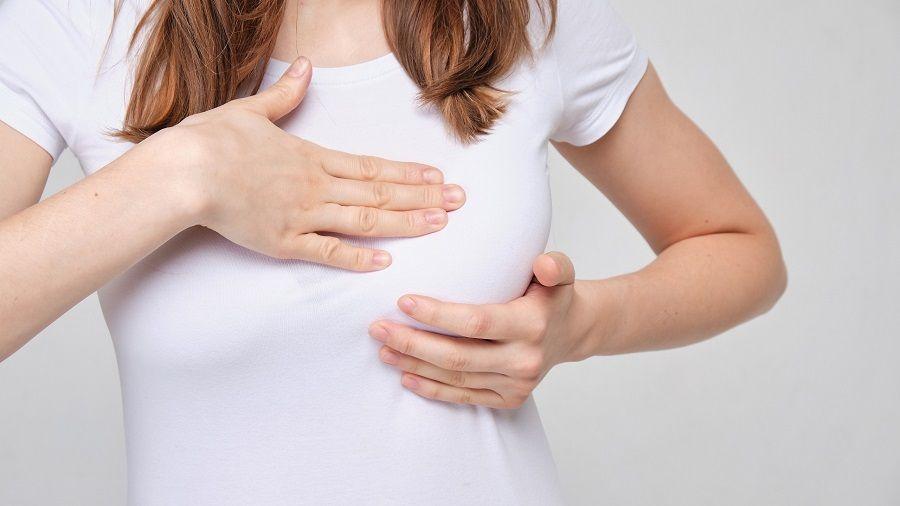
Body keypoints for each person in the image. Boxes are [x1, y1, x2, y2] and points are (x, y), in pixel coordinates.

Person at [0, 0, 787, 503]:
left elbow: (740, 249)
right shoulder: (76, 19)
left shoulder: (527, 14)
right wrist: (183, 173)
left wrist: (584, 327)